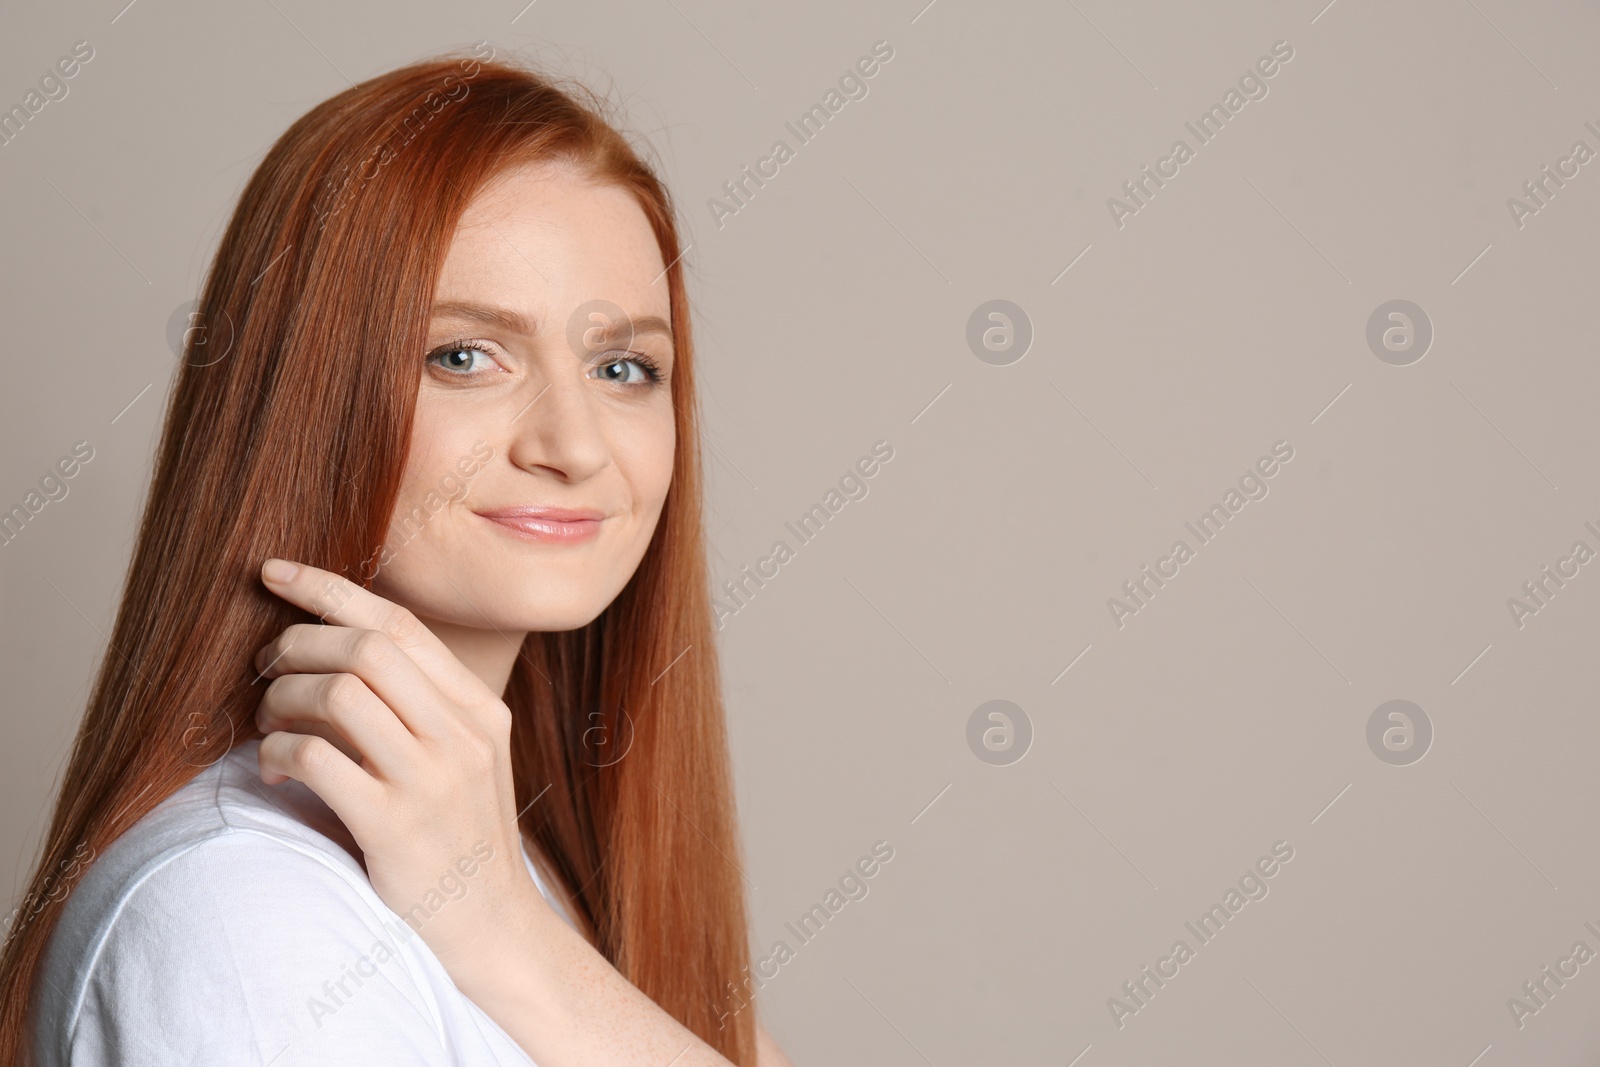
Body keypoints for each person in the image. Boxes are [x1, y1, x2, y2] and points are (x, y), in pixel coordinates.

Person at [0, 43, 791, 1067]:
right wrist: (502, 929)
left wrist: (511, 930)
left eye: (624, 365)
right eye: (464, 354)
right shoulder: (243, 912)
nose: (575, 444)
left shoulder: (519, 866)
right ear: (306, 397)